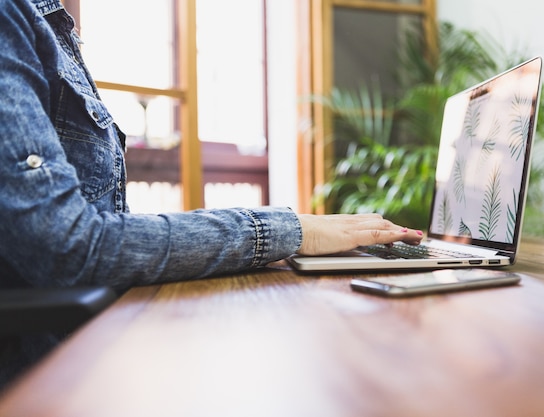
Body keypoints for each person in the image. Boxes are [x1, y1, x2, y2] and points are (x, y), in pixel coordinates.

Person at [0, 0, 423, 386]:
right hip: (48, 380)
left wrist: (287, 229)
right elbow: (70, 247)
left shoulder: (46, 22)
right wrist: (289, 230)